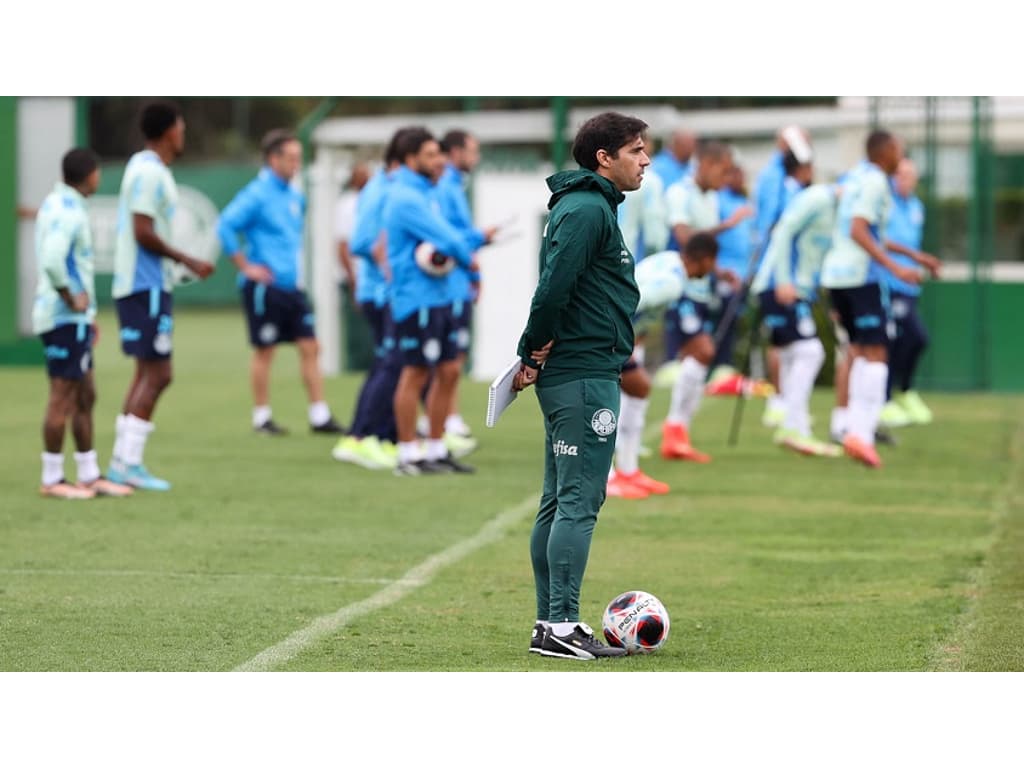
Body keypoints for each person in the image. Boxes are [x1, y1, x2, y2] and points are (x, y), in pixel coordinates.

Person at [512, 111, 649, 661]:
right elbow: (553, 287)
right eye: (637, 150)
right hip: (584, 376)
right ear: (604, 157)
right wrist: (531, 347)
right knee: (579, 502)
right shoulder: (589, 208)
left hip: (582, 371)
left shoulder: (589, 206)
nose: (645, 161)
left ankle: (551, 623)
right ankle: (563, 624)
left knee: (558, 500)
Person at [108, 100, 215, 491]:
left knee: (145, 372)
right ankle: (128, 464)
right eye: (181, 128)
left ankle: (122, 461)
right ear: (170, 131)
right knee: (160, 373)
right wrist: (188, 259)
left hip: (142, 283)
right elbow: (142, 230)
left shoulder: (144, 168)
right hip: (145, 283)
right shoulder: (150, 174)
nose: (183, 135)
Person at [820, 130, 939, 468]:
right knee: (877, 353)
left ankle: (847, 427)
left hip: (837, 276)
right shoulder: (875, 182)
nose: (901, 157)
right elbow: (859, 230)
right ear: (884, 151)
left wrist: (916, 258)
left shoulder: (854, 176)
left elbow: (874, 234)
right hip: (862, 278)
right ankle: (861, 433)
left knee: (857, 351)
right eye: (898, 150)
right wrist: (896, 270)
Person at [217, 128, 345, 437]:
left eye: (299, 158)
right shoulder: (256, 194)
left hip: (292, 286)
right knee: (266, 350)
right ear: (273, 159)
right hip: (265, 287)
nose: (296, 164)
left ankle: (319, 415)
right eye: (291, 158)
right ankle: (262, 417)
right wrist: (246, 267)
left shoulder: (295, 196)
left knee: (311, 346)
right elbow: (225, 226)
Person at [33, 148, 134, 499]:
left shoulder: (56, 203)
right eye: (97, 173)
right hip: (62, 317)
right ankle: (53, 479)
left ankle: (90, 474)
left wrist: (86, 316)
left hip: (75, 320)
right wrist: (69, 298)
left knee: (86, 394)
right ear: (89, 174)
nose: (99, 178)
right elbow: (51, 259)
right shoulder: (69, 212)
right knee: (62, 398)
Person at [383, 127, 479, 476]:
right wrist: (470, 254)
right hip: (416, 299)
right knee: (416, 372)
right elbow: (447, 237)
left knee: (451, 370)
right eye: (430, 155)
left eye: (439, 153)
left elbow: (452, 235)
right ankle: (408, 454)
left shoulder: (432, 192)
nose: (439, 160)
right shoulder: (405, 197)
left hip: (443, 296)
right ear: (411, 160)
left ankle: (437, 449)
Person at [608, 234, 720, 500]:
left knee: (638, 389)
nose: (712, 269)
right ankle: (609, 478)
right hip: (605, 335)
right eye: (713, 263)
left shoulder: (667, 260)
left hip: (617, 338)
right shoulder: (672, 283)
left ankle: (628, 471)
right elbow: (631, 301)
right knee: (608, 400)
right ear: (705, 260)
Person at [660, 141, 751, 463]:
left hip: (702, 287)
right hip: (677, 285)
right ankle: (673, 430)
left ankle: (677, 432)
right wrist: (726, 226)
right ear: (707, 164)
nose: (726, 179)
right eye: (723, 171)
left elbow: (705, 250)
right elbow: (687, 240)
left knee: (699, 359)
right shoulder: (679, 193)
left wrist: (721, 272)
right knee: (703, 351)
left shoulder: (711, 198)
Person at [750, 152, 842, 457]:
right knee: (810, 351)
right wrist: (784, 280)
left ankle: (797, 428)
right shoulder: (816, 198)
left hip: (792, 288)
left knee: (793, 354)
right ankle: (792, 425)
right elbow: (783, 231)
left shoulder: (832, 209)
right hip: (778, 286)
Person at [331, 133, 407, 470]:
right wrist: (387, 265)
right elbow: (361, 241)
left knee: (391, 363)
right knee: (391, 363)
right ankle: (363, 437)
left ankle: (379, 434)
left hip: (388, 292)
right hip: (381, 293)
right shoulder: (381, 190)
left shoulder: (392, 189)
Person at [425, 129, 498, 453]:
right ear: (455, 152)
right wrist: (476, 243)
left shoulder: (454, 185)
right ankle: (439, 423)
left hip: (457, 283)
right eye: (472, 151)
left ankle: (445, 421)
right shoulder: (443, 186)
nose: (476, 158)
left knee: (454, 359)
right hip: (445, 286)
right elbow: (448, 239)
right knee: (444, 361)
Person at [879, 157, 935, 428]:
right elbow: (878, 240)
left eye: (911, 175)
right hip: (888, 283)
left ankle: (903, 392)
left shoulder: (916, 207)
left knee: (910, 340)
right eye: (901, 174)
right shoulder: (883, 202)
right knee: (904, 338)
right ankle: (886, 398)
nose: (906, 180)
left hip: (909, 284)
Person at [335, 162, 371, 301]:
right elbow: (342, 245)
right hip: (355, 275)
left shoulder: (373, 201)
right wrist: (352, 279)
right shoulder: (346, 205)